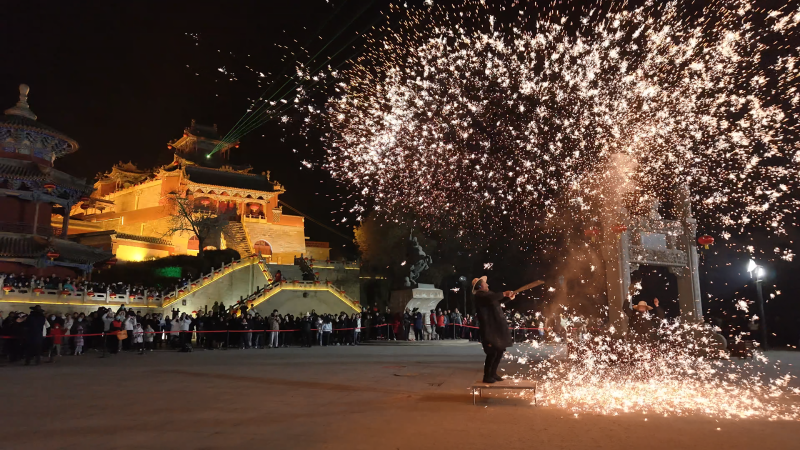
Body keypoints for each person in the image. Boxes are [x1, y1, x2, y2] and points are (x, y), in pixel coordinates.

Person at [472, 276, 515, 384]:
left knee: (499, 350)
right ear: (481, 286)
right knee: (492, 353)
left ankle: (493, 373)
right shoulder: (481, 296)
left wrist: (508, 298)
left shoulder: (489, 295)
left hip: (496, 328)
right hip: (489, 329)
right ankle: (487, 376)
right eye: (486, 284)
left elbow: (496, 301)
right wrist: (504, 293)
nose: (488, 285)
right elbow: (492, 298)